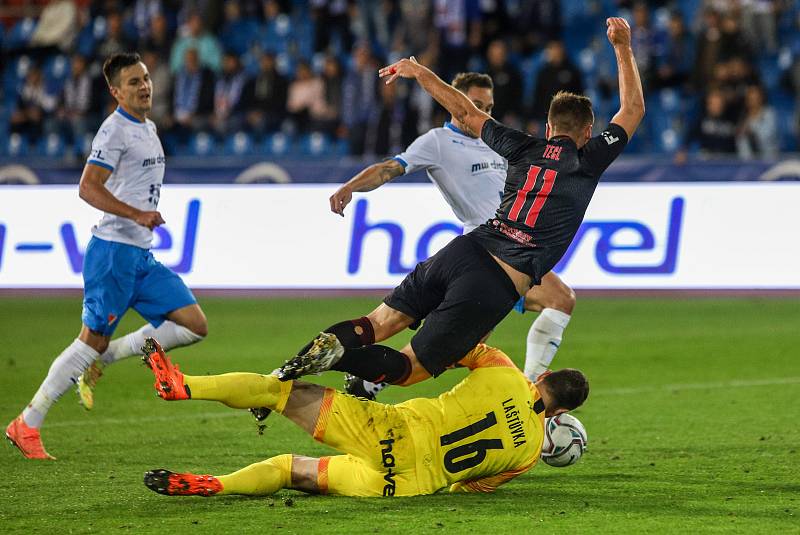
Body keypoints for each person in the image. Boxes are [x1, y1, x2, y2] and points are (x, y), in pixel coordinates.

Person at [275, 18, 642, 394]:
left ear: (548, 129)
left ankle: (285, 373)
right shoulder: (588, 158)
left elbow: (466, 113)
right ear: (586, 133)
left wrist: (419, 72)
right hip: (498, 275)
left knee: (379, 322)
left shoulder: (521, 146)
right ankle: (346, 364)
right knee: (412, 367)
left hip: (465, 249)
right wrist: (622, 46)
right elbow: (631, 109)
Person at [5, 53, 208, 460]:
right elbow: (87, 187)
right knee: (89, 341)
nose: (145, 86)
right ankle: (27, 422)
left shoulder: (148, 127)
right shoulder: (113, 131)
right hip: (113, 253)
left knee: (193, 324)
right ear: (115, 92)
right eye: (133, 82)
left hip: (140, 257)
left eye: (146, 78)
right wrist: (137, 215)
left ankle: (107, 358)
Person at [328, 71, 576, 402]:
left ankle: (370, 382)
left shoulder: (497, 141)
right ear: (455, 104)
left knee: (462, 345)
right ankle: (530, 391)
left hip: (513, 246)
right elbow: (391, 167)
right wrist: (350, 187)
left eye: (488, 106)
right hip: (488, 250)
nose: (484, 113)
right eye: (476, 105)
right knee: (560, 299)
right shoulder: (437, 142)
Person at [141, 338, 588, 497]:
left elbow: (444, 348)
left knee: (278, 391)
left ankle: (184, 386)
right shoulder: (528, 456)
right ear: (561, 414)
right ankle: (214, 485)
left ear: (543, 375)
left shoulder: (502, 369)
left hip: (390, 432)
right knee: (288, 471)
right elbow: (469, 486)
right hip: (399, 486)